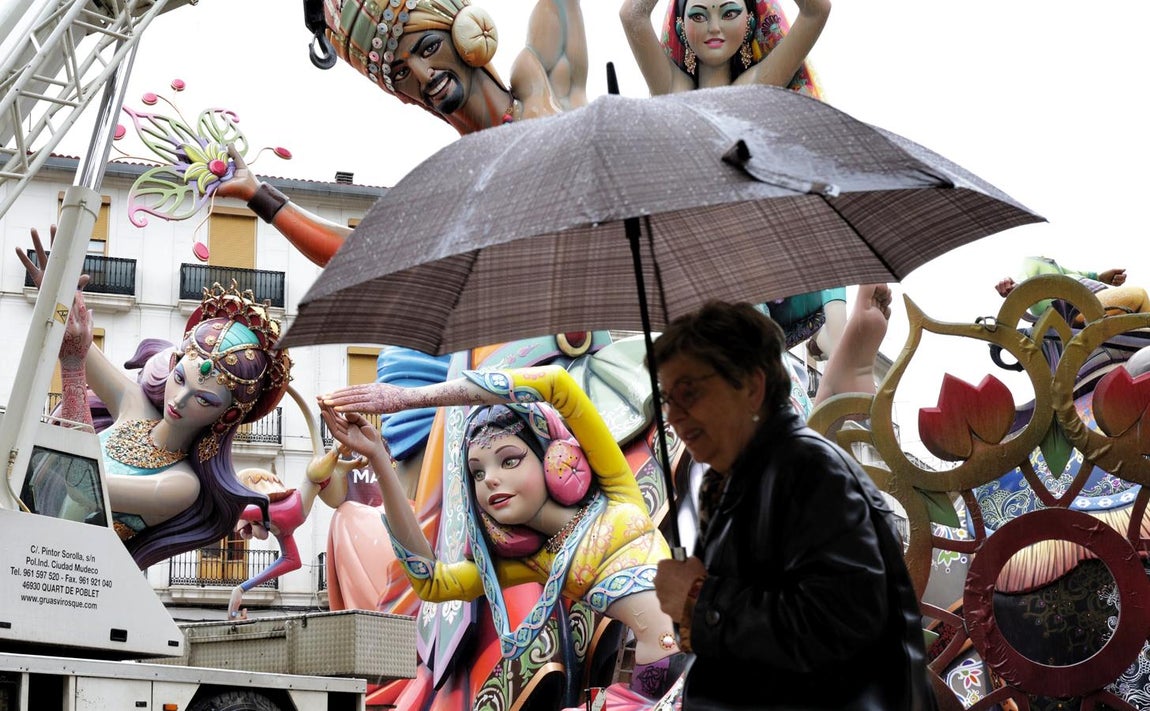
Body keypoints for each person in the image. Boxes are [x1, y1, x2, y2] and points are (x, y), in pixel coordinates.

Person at [319, 365, 688, 702]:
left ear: (554, 458)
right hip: (653, 683)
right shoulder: (535, 562)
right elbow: (433, 583)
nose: (491, 478)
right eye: (477, 473)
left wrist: (410, 399)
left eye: (509, 460)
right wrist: (380, 459)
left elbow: (557, 383)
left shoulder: (616, 490)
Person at [649, 301, 936, 709]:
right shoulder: (730, 482)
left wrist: (701, 601)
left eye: (690, 393)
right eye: (667, 398)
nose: (673, 416)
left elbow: (838, 623)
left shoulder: (808, 472)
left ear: (751, 387)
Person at [18, 229, 290, 569]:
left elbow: (83, 485)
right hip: (20, 539)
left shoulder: (181, 485)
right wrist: (56, 294)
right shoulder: (135, 404)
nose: (181, 399)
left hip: (67, 577)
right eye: (180, 380)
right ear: (174, 364)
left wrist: (72, 369)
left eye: (204, 399)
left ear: (227, 416)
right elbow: (76, 336)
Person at [995, 255, 1150, 325]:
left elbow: (1078, 273)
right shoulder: (1033, 261)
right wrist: (1014, 287)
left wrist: (1100, 277)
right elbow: (1025, 278)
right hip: (1074, 310)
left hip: (1089, 302)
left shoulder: (1054, 266)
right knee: (1139, 295)